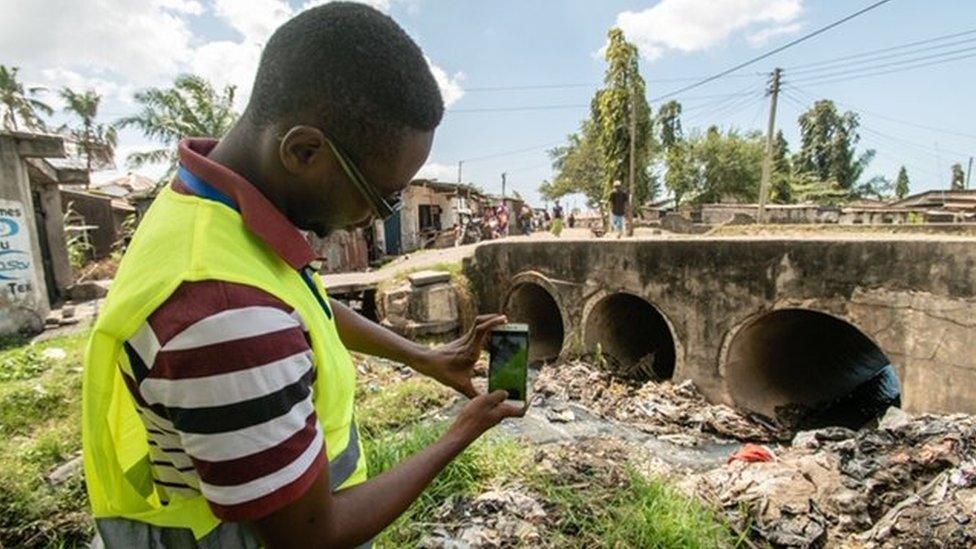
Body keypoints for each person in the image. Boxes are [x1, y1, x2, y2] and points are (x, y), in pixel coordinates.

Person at [82, 5, 524, 548]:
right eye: (382, 196)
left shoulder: (209, 208)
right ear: (304, 151)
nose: (376, 217)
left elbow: (303, 303)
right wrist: (462, 432)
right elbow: (312, 536)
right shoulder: (224, 313)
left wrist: (424, 357)